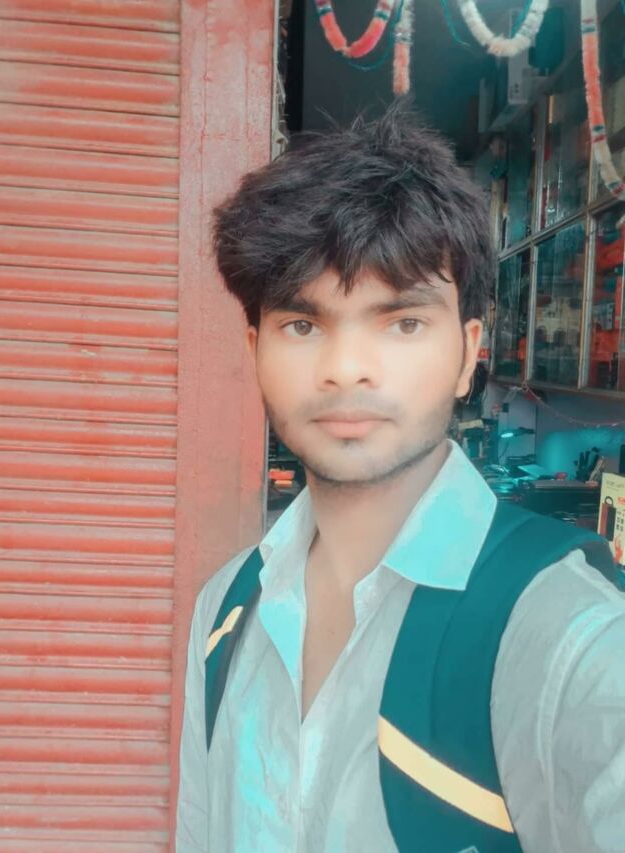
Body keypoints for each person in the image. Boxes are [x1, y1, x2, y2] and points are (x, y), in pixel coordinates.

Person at [176, 103, 625, 852]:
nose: (347, 367)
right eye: (302, 325)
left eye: (403, 322)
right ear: (254, 349)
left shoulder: (566, 639)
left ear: (467, 354)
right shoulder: (225, 610)